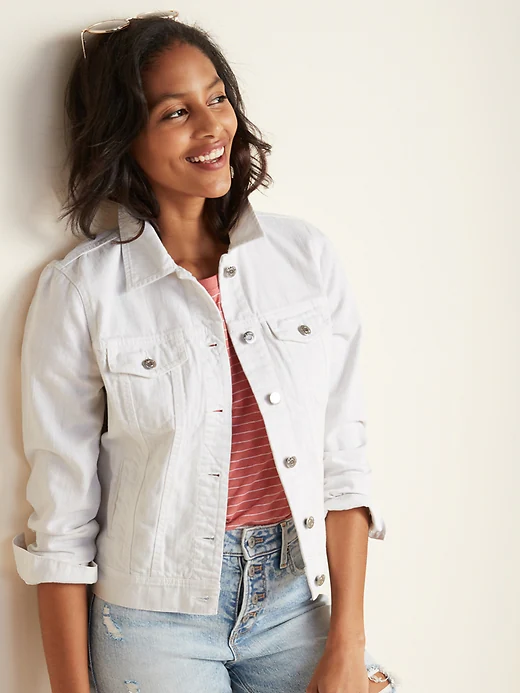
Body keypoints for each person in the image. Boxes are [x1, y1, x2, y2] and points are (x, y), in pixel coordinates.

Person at [11, 11, 400, 693]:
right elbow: (63, 522)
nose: (211, 127)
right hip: (154, 620)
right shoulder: (81, 290)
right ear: (124, 135)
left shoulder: (304, 258)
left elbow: (343, 462)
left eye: (217, 98)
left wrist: (349, 640)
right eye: (175, 112)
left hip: (298, 598)